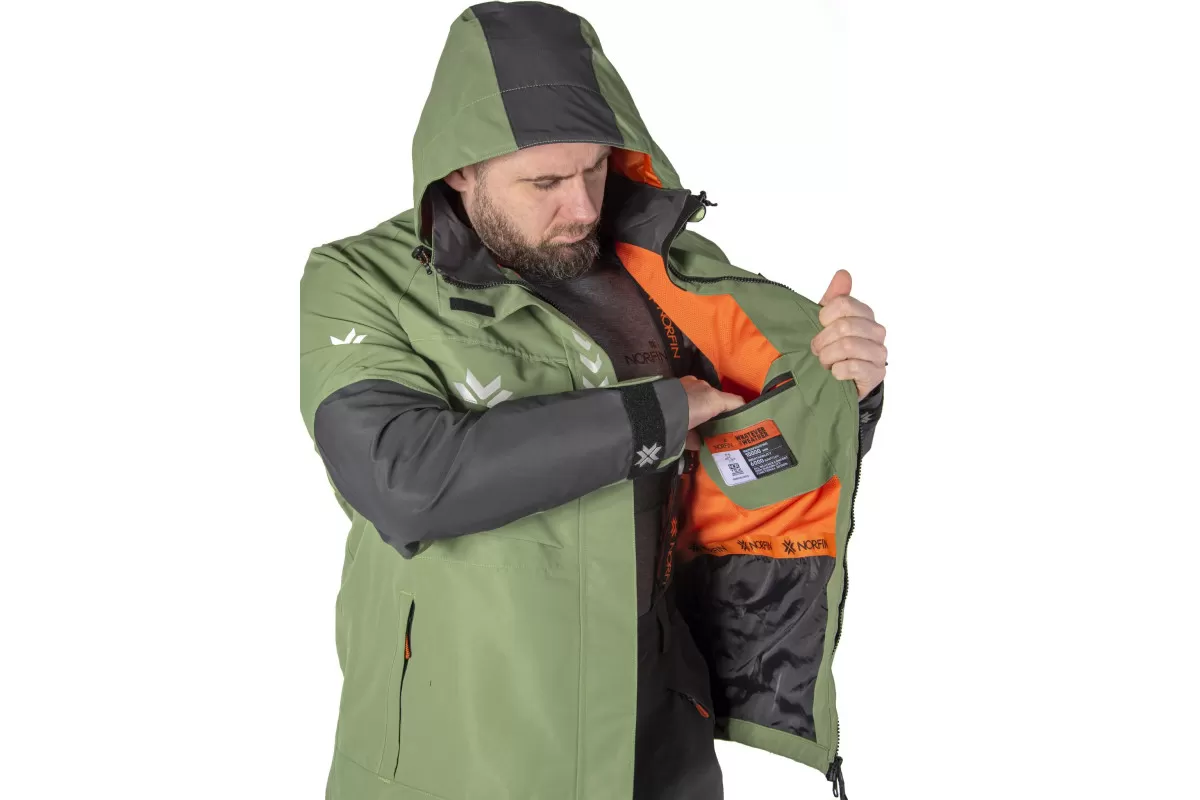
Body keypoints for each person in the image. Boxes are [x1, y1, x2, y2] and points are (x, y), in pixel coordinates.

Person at [299, 3, 886, 798]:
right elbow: (404, 480)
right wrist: (656, 414)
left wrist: (839, 390)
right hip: (462, 749)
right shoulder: (360, 281)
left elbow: (754, 456)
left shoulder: (666, 272)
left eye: (595, 171)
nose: (580, 208)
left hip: (657, 731)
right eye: (544, 181)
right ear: (460, 169)